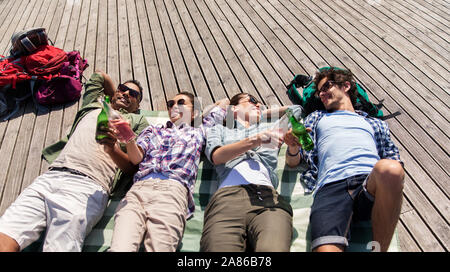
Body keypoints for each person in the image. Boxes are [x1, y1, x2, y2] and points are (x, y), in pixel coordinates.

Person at [0, 71, 149, 252]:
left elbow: (135, 166)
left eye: (133, 94)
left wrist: (112, 149)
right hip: (51, 176)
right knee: (5, 235)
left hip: (87, 187)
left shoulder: (137, 120)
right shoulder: (93, 105)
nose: (126, 94)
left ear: (137, 105)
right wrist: (112, 98)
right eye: (123, 89)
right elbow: (99, 76)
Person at [285, 67, 404, 252]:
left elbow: (393, 159)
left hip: (369, 182)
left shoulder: (375, 123)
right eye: (319, 92)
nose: (321, 94)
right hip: (331, 187)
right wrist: (293, 146)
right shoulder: (316, 118)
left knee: (391, 169)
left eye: (327, 87)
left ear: (346, 86)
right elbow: (293, 162)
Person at [107, 92, 229, 252]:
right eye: (170, 103)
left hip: (171, 192)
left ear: (194, 113)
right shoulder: (154, 130)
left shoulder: (199, 132)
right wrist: (129, 138)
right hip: (138, 191)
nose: (173, 106)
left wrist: (199, 115)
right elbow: (136, 159)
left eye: (181, 102)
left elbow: (224, 102)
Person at [200, 93, 300, 252]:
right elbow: (217, 156)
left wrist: (260, 112)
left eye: (259, 103)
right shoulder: (219, 130)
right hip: (228, 199)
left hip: (267, 199)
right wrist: (257, 139)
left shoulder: (270, 128)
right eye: (252, 100)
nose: (258, 104)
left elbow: (295, 110)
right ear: (233, 109)